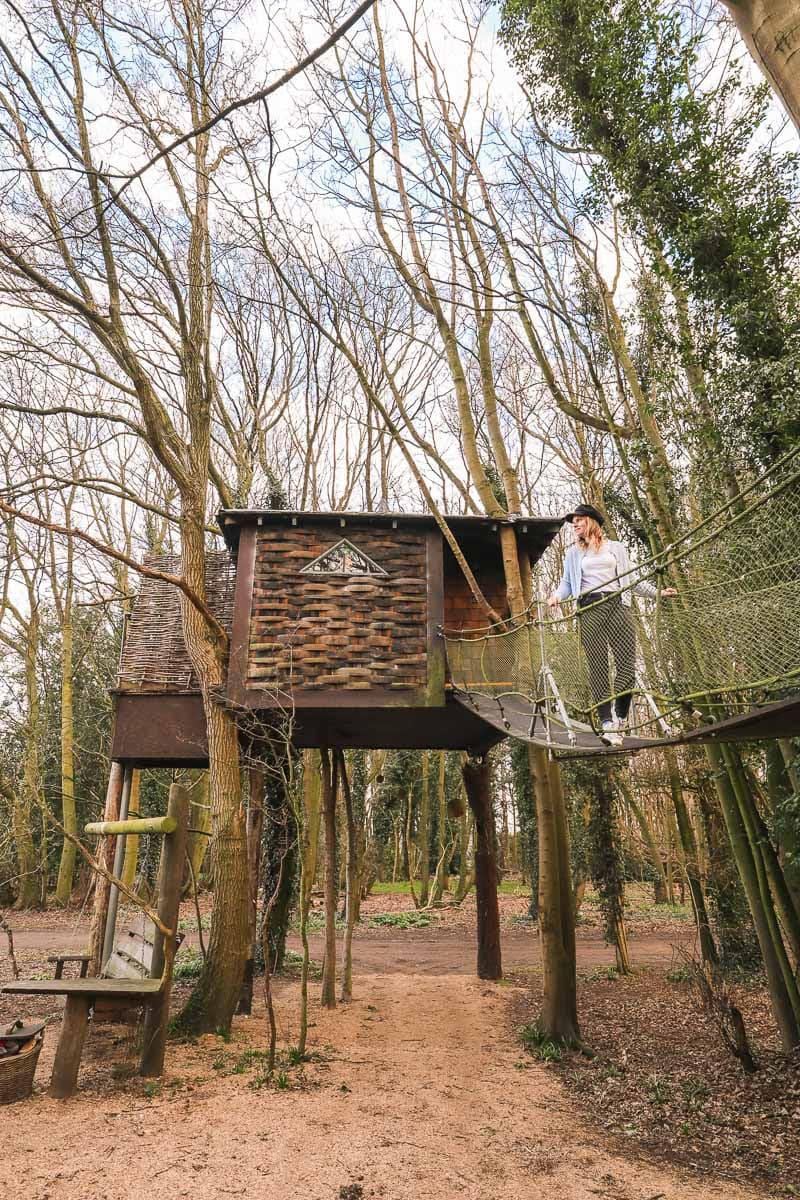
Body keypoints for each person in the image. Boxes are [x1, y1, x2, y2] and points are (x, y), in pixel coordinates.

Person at [547, 504, 676, 745]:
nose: (574, 525)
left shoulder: (616, 548)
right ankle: (607, 724)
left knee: (627, 664)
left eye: (579, 520)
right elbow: (566, 583)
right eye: (573, 522)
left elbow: (632, 580)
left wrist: (657, 593)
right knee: (598, 667)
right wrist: (556, 596)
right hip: (589, 608)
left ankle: (621, 717)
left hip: (618, 605)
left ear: (592, 521)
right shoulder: (573, 554)